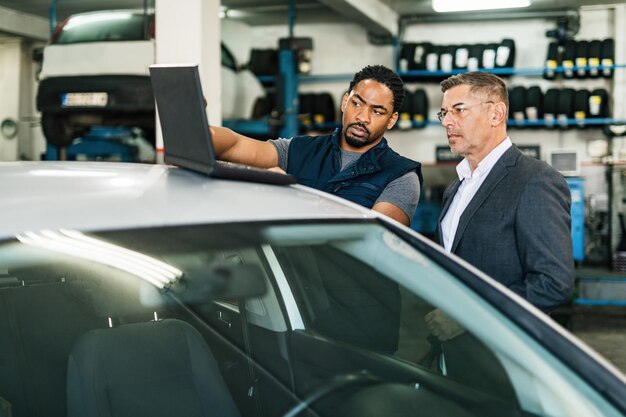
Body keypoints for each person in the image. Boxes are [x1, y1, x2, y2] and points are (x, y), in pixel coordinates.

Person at [424, 71, 575, 398]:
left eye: (459, 110)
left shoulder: (534, 180)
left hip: (507, 362)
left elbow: (553, 282)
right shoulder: (458, 186)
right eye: (444, 113)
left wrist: (467, 317)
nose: (447, 122)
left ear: (496, 113)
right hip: (456, 357)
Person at [210, 65, 422, 226]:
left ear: (392, 120)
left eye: (377, 111)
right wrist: (199, 131)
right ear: (344, 102)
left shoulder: (401, 176)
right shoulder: (298, 150)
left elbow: (375, 238)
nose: (362, 117)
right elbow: (234, 145)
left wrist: (295, 200)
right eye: (357, 103)